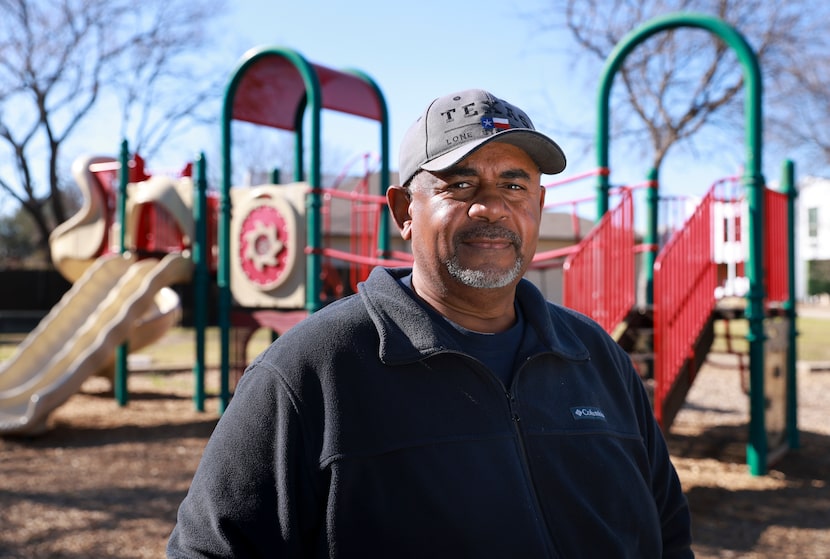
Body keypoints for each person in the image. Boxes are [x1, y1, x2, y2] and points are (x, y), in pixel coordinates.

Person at [167, 88, 693, 558]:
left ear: (538, 204)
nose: (491, 208)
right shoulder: (311, 372)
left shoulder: (597, 357)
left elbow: (667, 532)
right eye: (460, 184)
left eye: (515, 186)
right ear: (403, 212)